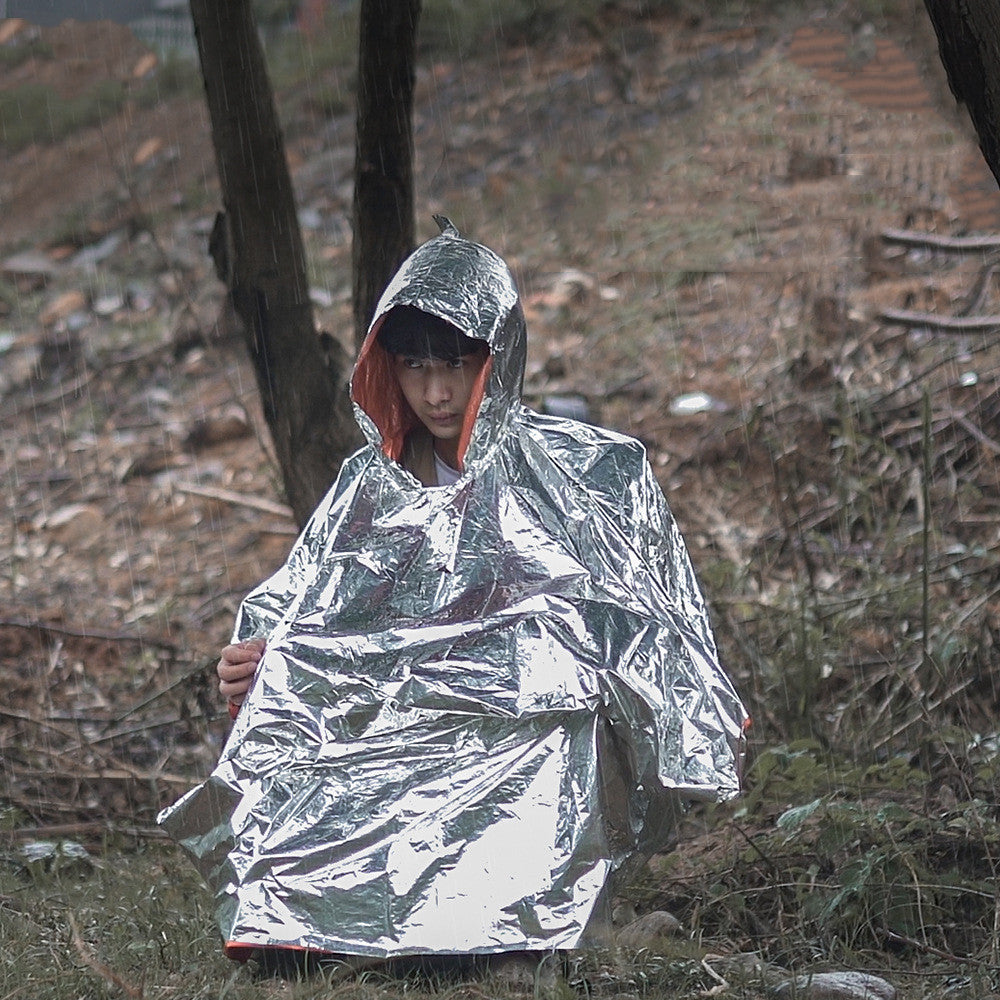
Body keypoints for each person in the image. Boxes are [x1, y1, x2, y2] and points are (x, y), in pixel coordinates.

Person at [160, 218, 747, 981]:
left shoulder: (587, 474)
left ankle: (509, 924)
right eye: (413, 366)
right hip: (399, 730)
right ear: (386, 369)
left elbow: (649, 623)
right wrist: (256, 663)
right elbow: (302, 615)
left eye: (456, 364)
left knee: (549, 693)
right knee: (296, 698)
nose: (435, 392)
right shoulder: (366, 488)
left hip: (528, 730)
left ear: (495, 360)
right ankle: (322, 921)